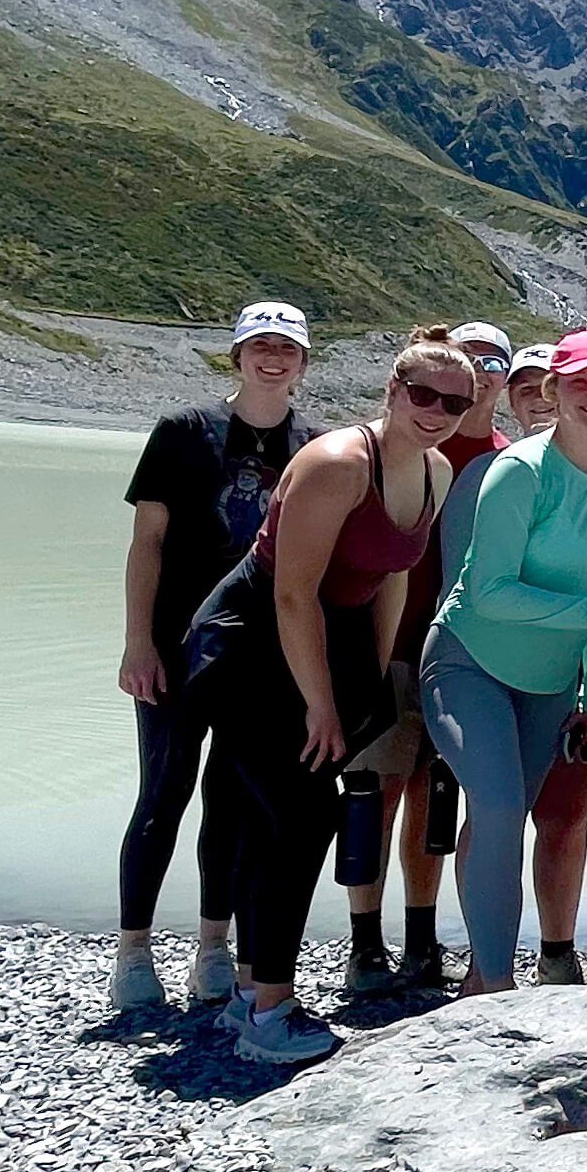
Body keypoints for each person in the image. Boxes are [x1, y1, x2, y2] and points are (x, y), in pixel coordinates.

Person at [185, 327, 470, 1063]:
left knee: (279, 815)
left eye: (455, 400)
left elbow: (392, 576)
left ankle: (251, 990)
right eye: (423, 393)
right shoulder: (338, 462)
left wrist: (367, 684)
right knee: (301, 814)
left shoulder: (435, 471)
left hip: (326, 636)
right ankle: (268, 1010)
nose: (436, 409)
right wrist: (320, 702)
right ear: (392, 390)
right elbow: (288, 592)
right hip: (252, 642)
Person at [425, 329, 587, 996]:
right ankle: (495, 985)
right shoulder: (518, 471)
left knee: (505, 815)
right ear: (553, 391)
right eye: (579, 381)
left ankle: (479, 970)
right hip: (470, 662)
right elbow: (488, 590)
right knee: (497, 809)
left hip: (549, 685)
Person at [110, 301, 321, 1010]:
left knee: (231, 806)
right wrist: (138, 641)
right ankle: (133, 951)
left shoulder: (312, 446)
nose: (273, 357)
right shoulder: (181, 433)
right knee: (162, 793)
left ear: (303, 360)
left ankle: (212, 947)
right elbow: (148, 543)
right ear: (237, 353)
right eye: (260, 344)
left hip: (253, 658)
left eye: (286, 347)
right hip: (174, 647)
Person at [341, 321, 511, 997]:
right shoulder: (394, 442)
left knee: (433, 798)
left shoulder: (510, 456)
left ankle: (419, 937)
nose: (483, 373)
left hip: (463, 655)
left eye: (495, 361)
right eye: (473, 360)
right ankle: (362, 944)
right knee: (371, 793)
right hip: (387, 648)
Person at [506, 344, 560, 434]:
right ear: (512, 401)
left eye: (549, 386)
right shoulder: (513, 449)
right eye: (527, 389)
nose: (539, 397)